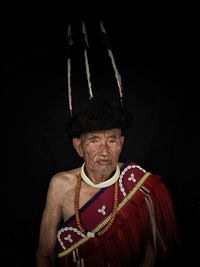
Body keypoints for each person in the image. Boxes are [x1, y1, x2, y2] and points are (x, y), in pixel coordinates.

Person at [36, 96, 178, 267]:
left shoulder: (137, 184)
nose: (104, 151)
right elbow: (44, 253)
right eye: (94, 140)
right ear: (79, 147)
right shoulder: (61, 185)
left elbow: (150, 251)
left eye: (111, 140)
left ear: (121, 143)